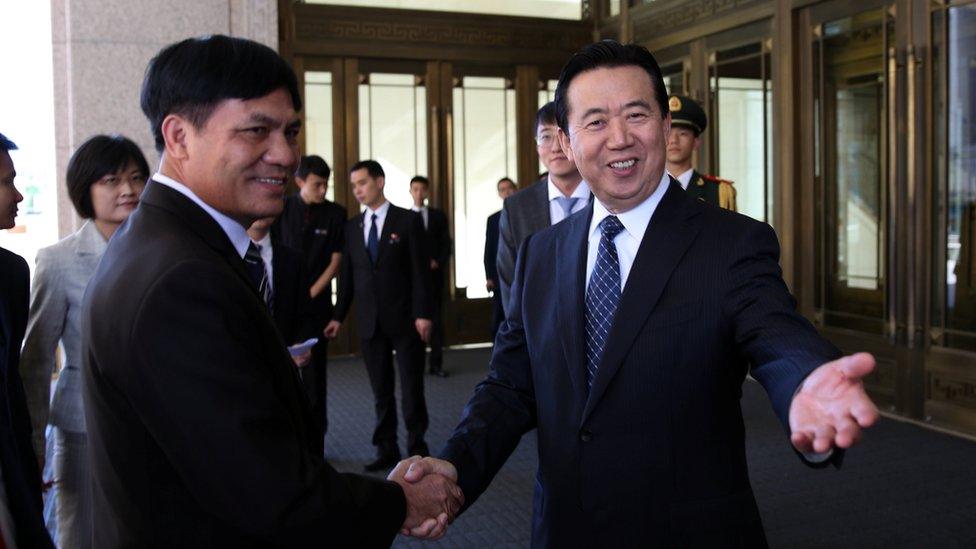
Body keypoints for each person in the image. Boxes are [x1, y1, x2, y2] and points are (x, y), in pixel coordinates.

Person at [401, 40, 879, 547]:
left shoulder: (733, 242)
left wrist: (805, 384)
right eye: (596, 121)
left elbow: (777, 335)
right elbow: (510, 384)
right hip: (566, 529)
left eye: (636, 114)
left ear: (665, 126)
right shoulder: (541, 252)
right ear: (565, 141)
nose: (620, 138)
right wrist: (455, 465)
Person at [81, 36, 460, 547]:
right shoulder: (179, 279)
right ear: (179, 137)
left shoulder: (166, 242)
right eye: (257, 130)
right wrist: (400, 502)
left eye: (291, 131)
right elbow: (265, 494)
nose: (285, 155)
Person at [20, 134, 148, 549]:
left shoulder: (160, 250)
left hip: (153, 420)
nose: (128, 190)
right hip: (82, 422)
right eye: (111, 180)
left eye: (136, 177)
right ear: (85, 190)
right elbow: (37, 361)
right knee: (81, 531)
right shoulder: (57, 261)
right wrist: (34, 442)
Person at [325, 160, 433, 472]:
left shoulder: (408, 221)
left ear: (380, 181)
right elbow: (347, 278)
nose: (358, 190)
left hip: (406, 318)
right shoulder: (352, 228)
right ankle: (386, 448)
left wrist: (423, 314)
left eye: (363, 183)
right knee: (380, 390)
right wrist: (337, 315)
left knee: (412, 386)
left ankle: (417, 446)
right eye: (354, 185)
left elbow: (420, 273)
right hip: (370, 321)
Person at [0, 132, 55, 549]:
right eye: (6, 182)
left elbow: (12, 383)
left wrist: (31, 452)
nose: (17, 195)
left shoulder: (12, 274)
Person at [271, 154, 346, 452]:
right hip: (282, 306)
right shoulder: (282, 208)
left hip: (315, 306)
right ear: (300, 181)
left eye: (326, 184)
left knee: (315, 380)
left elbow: (336, 261)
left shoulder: (335, 213)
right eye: (317, 184)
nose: (322, 189)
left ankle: (317, 445)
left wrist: (309, 292)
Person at [496, 101, 589, 313]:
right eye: (546, 136)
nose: (556, 147)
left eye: (563, 134)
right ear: (537, 145)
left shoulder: (608, 197)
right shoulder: (516, 208)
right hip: (537, 333)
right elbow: (509, 281)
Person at [409, 175, 451, 377]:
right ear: (410, 191)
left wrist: (437, 261)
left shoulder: (437, 216)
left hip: (434, 277)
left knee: (437, 321)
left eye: (421, 189)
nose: (418, 193)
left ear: (427, 192)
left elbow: (446, 244)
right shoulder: (405, 217)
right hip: (412, 280)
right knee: (414, 321)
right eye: (414, 189)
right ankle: (415, 364)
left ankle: (436, 364)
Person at [665, 94, 736, 210]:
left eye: (683, 134)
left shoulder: (717, 192)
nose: (674, 140)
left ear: (696, 142)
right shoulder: (645, 190)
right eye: (668, 134)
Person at [484, 177, 517, 340]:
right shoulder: (493, 219)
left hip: (520, 270)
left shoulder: (523, 213)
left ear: (515, 189)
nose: (506, 192)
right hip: (498, 274)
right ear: (499, 194)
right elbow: (489, 249)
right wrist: (489, 276)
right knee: (498, 314)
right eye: (502, 189)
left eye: (509, 188)